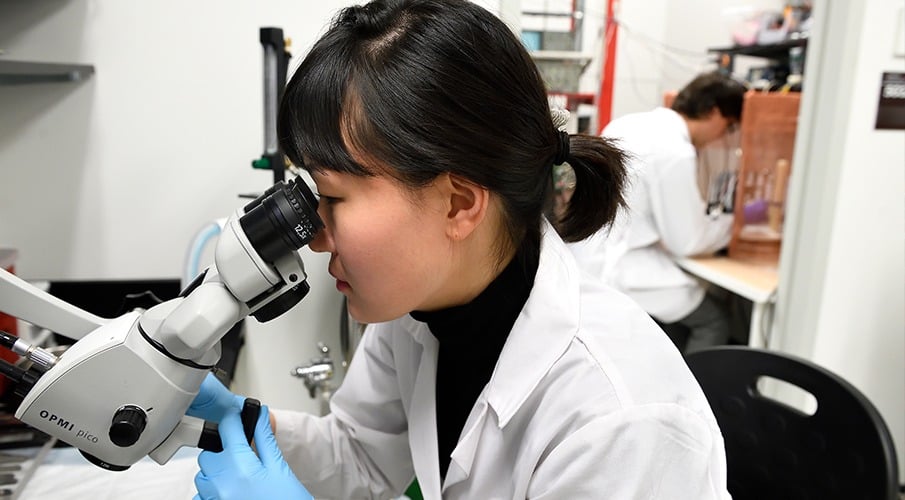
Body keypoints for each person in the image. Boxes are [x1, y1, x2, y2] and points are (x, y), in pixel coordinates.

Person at [188, 1, 732, 499]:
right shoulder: (422, 309)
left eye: (331, 197)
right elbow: (361, 457)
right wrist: (241, 424)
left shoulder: (620, 421)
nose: (313, 235)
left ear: (459, 205)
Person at [581, 72, 747, 354]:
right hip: (625, 271)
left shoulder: (628, 123)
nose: (723, 137)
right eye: (729, 127)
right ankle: (690, 395)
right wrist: (735, 226)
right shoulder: (676, 151)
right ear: (714, 113)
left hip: (589, 260)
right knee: (714, 320)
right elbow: (687, 242)